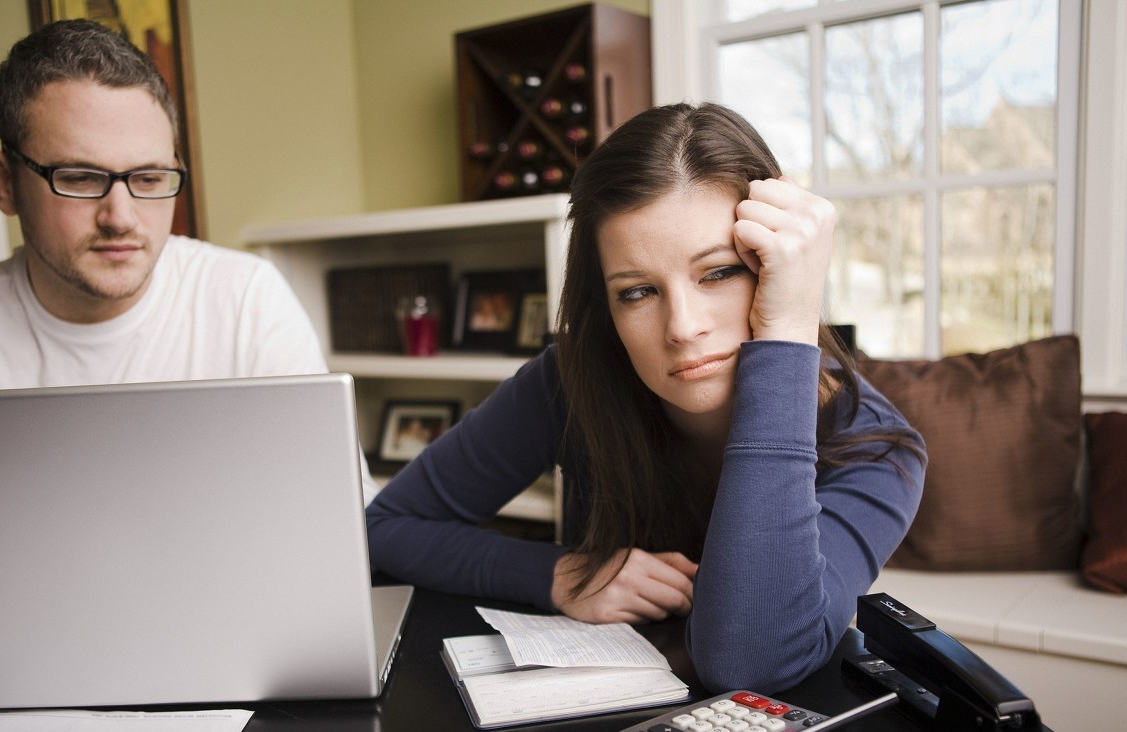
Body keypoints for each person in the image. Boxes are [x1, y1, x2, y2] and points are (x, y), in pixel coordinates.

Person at [0, 19, 375, 666]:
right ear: (2, 180)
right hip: (3, 680)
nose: (122, 217)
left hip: (227, 665)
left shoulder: (247, 299)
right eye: (80, 176)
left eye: (150, 178)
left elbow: (339, 522)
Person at [366, 103, 926, 694]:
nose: (682, 328)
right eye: (636, 291)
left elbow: (750, 661)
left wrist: (789, 328)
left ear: (776, 268)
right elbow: (387, 526)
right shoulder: (573, 380)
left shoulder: (875, 447)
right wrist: (561, 574)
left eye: (719, 273)